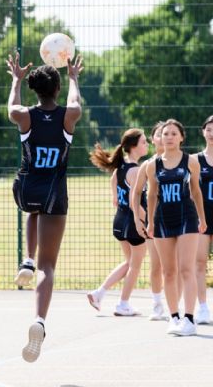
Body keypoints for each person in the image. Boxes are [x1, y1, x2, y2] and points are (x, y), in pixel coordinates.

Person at [7, 52, 83, 362]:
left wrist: (16, 80)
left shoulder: (24, 116)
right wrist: (74, 77)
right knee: (47, 267)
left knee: (32, 210)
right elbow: (76, 101)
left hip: (26, 189)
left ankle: (27, 258)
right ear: (57, 88)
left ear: (35, 90)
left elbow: (11, 107)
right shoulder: (69, 115)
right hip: (55, 192)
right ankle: (39, 320)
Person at [146, 119, 206, 336]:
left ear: (181, 137)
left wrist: (202, 219)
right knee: (168, 272)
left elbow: (196, 192)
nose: (169, 137)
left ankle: (189, 319)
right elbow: (151, 194)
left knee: (186, 269)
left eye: (173, 133)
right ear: (159, 138)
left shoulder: (190, 161)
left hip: (187, 219)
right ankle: (174, 317)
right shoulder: (153, 165)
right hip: (163, 220)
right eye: (165, 134)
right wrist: (150, 222)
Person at [87, 128, 148, 316]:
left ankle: (99, 293)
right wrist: (148, 220)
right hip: (133, 222)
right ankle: (123, 304)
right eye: (144, 142)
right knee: (135, 265)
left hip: (120, 220)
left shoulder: (120, 168)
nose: (147, 144)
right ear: (133, 146)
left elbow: (114, 188)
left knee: (129, 262)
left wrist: (116, 197)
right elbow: (133, 201)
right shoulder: (136, 170)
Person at [132, 122, 167, 320]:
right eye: (159, 134)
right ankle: (157, 305)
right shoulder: (147, 165)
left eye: (167, 133)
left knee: (175, 266)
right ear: (153, 139)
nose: (163, 138)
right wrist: (138, 220)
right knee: (156, 265)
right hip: (153, 222)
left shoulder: (181, 162)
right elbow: (136, 193)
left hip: (177, 220)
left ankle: (175, 306)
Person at [193, 115, 213, 324]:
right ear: (203, 132)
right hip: (202, 218)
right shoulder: (195, 160)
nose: (212, 133)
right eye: (209, 129)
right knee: (199, 263)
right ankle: (203, 307)